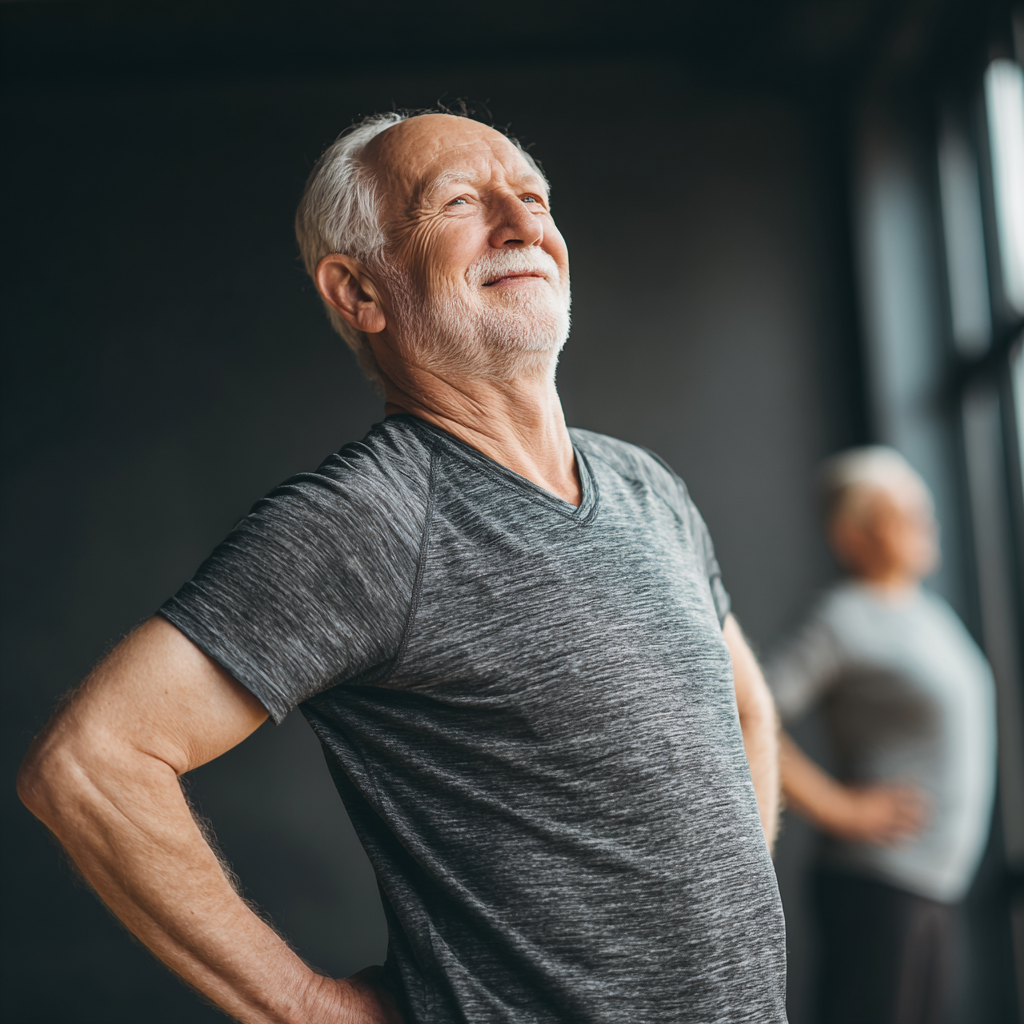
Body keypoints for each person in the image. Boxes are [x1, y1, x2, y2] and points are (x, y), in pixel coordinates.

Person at [17, 110, 787, 1024]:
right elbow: (90, 763)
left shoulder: (646, 484)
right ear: (358, 293)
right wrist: (303, 1006)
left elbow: (744, 708)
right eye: (461, 201)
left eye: (534, 197)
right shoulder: (371, 523)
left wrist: (725, 928)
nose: (524, 223)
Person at [767, 446, 997, 1024]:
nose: (928, 522)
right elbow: (747, 710)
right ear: (853, 533)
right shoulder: (843, 618)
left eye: (923, 509)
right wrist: (838, 807)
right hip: (877, 883)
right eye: (903, 513)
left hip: (934, 884)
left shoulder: (929, 614)